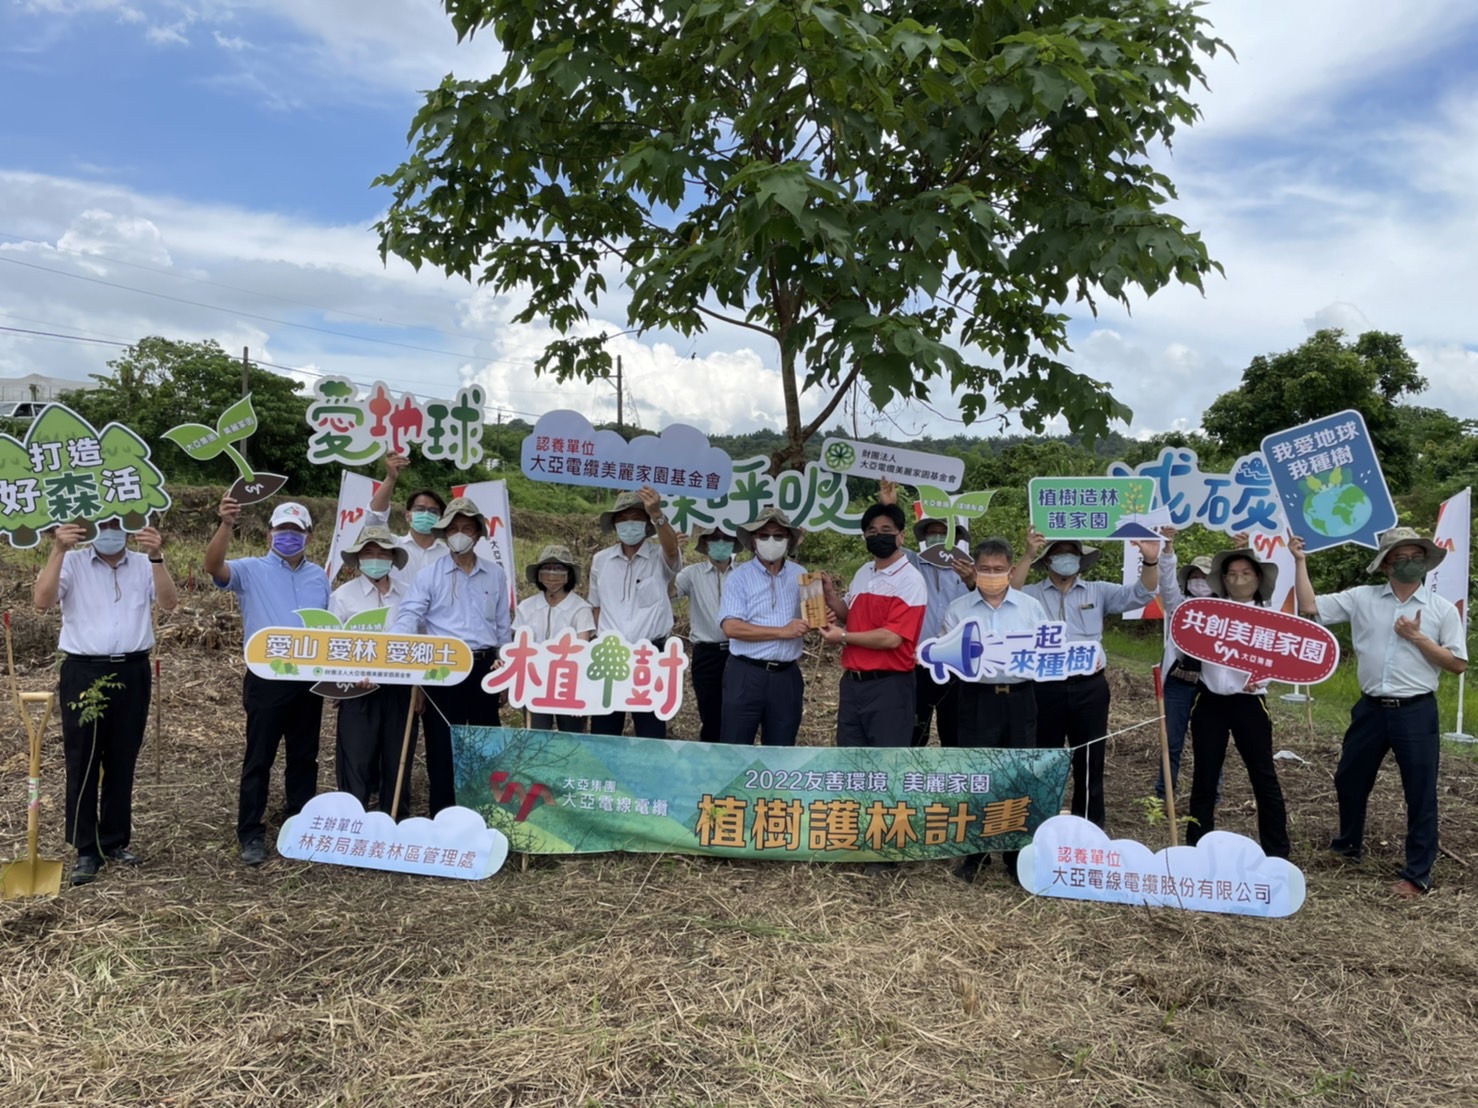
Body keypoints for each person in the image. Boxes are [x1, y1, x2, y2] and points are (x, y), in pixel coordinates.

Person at [1294, 527, 1467, 897]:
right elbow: (1309, 606)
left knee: (1420, 790)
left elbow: (1457, 664)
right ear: (1386, 565)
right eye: (1400, 558)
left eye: (1416, 557)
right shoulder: (1363, 597)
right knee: (1349, 778)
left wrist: (1418, 638)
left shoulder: (1441, 609)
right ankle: (1347, 845)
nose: (1409, 563)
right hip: (1371, 708)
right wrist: (1300, 560)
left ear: (1426, 563)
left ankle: (1418, 873)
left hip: (1416, 710)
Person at [34, 519, 178, 886]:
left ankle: (114, 840)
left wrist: (157, 556)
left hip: (132, 669)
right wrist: (58, 549)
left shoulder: (144, 563)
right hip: (84, 671)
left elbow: (169, 603)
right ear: (89, 525)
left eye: (118, 523)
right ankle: (86, 847)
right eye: (103, 523)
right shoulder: (72, 562)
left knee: (122, 758)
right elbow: (42, 601)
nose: (110, 530)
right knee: (83, 759)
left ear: (130, 527)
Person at [206, 498, 331, 866]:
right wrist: (226, 525)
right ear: (269, 534)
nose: (288, 536)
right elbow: (213, 566)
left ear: (309, 536)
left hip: (308, 679)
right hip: (267, 678)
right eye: (282, 529)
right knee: (260, 757)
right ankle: (251, 832)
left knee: (304, 757)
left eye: (296, 530)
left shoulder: (319, 576)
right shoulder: (250, 570)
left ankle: (300, 825)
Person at [1011, 529, 1160, 828]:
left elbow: (1142, 593)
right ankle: (1041, 827)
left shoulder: (1098, 591)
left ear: (1080, 559)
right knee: (1045, 759)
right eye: (1059, 553)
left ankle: (1090, 829)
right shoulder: (1032, 594)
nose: (1066, 559)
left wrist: (1151, 560)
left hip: (1090, 688)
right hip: (1045, 688)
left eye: (1072, 553)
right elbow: (1009, 596)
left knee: (1090, 759)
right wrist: (1027, 554)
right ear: (1047, 561)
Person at [938, 537, 1048, 884]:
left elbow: (1047, 652)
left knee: (1018, 775)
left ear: (1011, 571)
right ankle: (976, 853)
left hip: (1020, 698)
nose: (991, 574)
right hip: (976, 698)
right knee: (978, 774)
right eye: (984, 569)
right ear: (975, 569)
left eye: (998, 569)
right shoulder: (959, 609)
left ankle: (1015, 854)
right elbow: (945, 653)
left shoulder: (1030, 608)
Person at [392, 496, 511, 815]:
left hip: (485, 667)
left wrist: (506, 672)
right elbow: (410, 615)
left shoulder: (495, 574)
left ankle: (486, 815)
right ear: (445, 534)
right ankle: (443, 816)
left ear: (478, 534)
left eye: (467, 528)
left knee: (486, 742)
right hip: (442, 669)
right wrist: (396, 649)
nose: (460, 534)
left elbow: (503, 627)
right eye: (453, 528)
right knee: (442, 746)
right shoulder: (429, 575)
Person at [1184, 548, 1290, 859]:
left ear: (1258, 578)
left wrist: (1265, 677)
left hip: (1250, 704)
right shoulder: (1208, 613)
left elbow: (1283, 657)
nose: (1238, 580)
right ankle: (1195, 848)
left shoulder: (1270, 617)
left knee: (1263, 775)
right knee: (1204, 777)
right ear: (1222, 580)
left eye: (1245, 573)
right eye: (1231, 574)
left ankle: (1277, 853)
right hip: (1209, 701)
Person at [818, 503, 927, 748]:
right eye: (872, 531)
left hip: (889, 685)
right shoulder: (863, 572)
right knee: (850, 758)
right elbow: (850, 615)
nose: (878, 536)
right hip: (852, 684)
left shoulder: (910, 580)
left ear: (901, 536)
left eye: (886, 530)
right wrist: (830, 596)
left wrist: (843, 637)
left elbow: (892, 637)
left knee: (887, 761)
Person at [328, 524, 413, 818]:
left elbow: (422, 642)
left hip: (400, 689)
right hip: (358, 689)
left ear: (393, 558)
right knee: (357, 758)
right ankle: (353, 820)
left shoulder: (408, 595)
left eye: (383, 552)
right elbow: (332, 645)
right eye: (369, 552)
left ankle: (394, 819)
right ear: (358, 558)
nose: (376, 557)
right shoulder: (343, 596)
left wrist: (420, 689)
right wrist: (343, 682)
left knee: (397, 758)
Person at [587, 487, 682, 738]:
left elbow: (673, 551)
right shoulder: (600, 560)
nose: (629, 525)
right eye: (623, 519)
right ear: (615, 525)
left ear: (647, 524)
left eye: (637, 519)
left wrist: (657, 513)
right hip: (609, 655)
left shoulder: (659, 556)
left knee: (650, 731)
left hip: (650, 654)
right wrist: (595, 643)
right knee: (605, 729)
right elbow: (596, 606)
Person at [718, 507, 810, 746]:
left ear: (788, 540)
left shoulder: (801, 575)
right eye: (764, 535)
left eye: (779, 536)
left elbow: (813, 617)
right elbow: (731, 627)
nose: (771, 541)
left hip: (786, 676)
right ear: (753, 540)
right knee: (735, 746)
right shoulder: (739, 577)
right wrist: (782, 632)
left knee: (780, 749)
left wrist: (822, 612)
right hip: (746, 673)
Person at [1153, 532, 1213, 800]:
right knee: (1171, 742)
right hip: (1178, 683)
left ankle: (1210, 796)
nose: (1199, 582)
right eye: (1195, 577)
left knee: (1210, 745)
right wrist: (1168, 548)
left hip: (1209, 686)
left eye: (1205, 578)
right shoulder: (1180, 606)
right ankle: (1163, 794)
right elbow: (1166, 584)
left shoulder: (1225, 611)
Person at [513, 544, 595, 733]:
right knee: (537, 737)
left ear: (569, 574)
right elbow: (518, 644)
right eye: (547, 568)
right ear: (538, 574)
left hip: (568, 684)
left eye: (558, 568)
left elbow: (582, 650)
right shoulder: (526, 607)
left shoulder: (581, 608)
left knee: (572, 738)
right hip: (534, 682)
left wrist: (581, 689)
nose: (552, 573)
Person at [674, 525, 737, 742]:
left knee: (738, 711)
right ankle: (711, 754)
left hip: (739, 653)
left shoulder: (743, 573)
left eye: (726, 538)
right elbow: (667, 593)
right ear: (705, 543)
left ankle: (735, 755)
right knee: (710, 713)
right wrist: (673, 556)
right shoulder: (691, 574)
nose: (721, 542)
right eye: (715, 538)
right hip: (706, 654)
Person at [364, 451, 449, 586]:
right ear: (408, 516)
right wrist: (390, 478)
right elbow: (374, 519)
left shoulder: (449, 554)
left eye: (433, 511)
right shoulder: (392, 546)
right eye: (420, 509)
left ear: (441, 519)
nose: (426, 514)